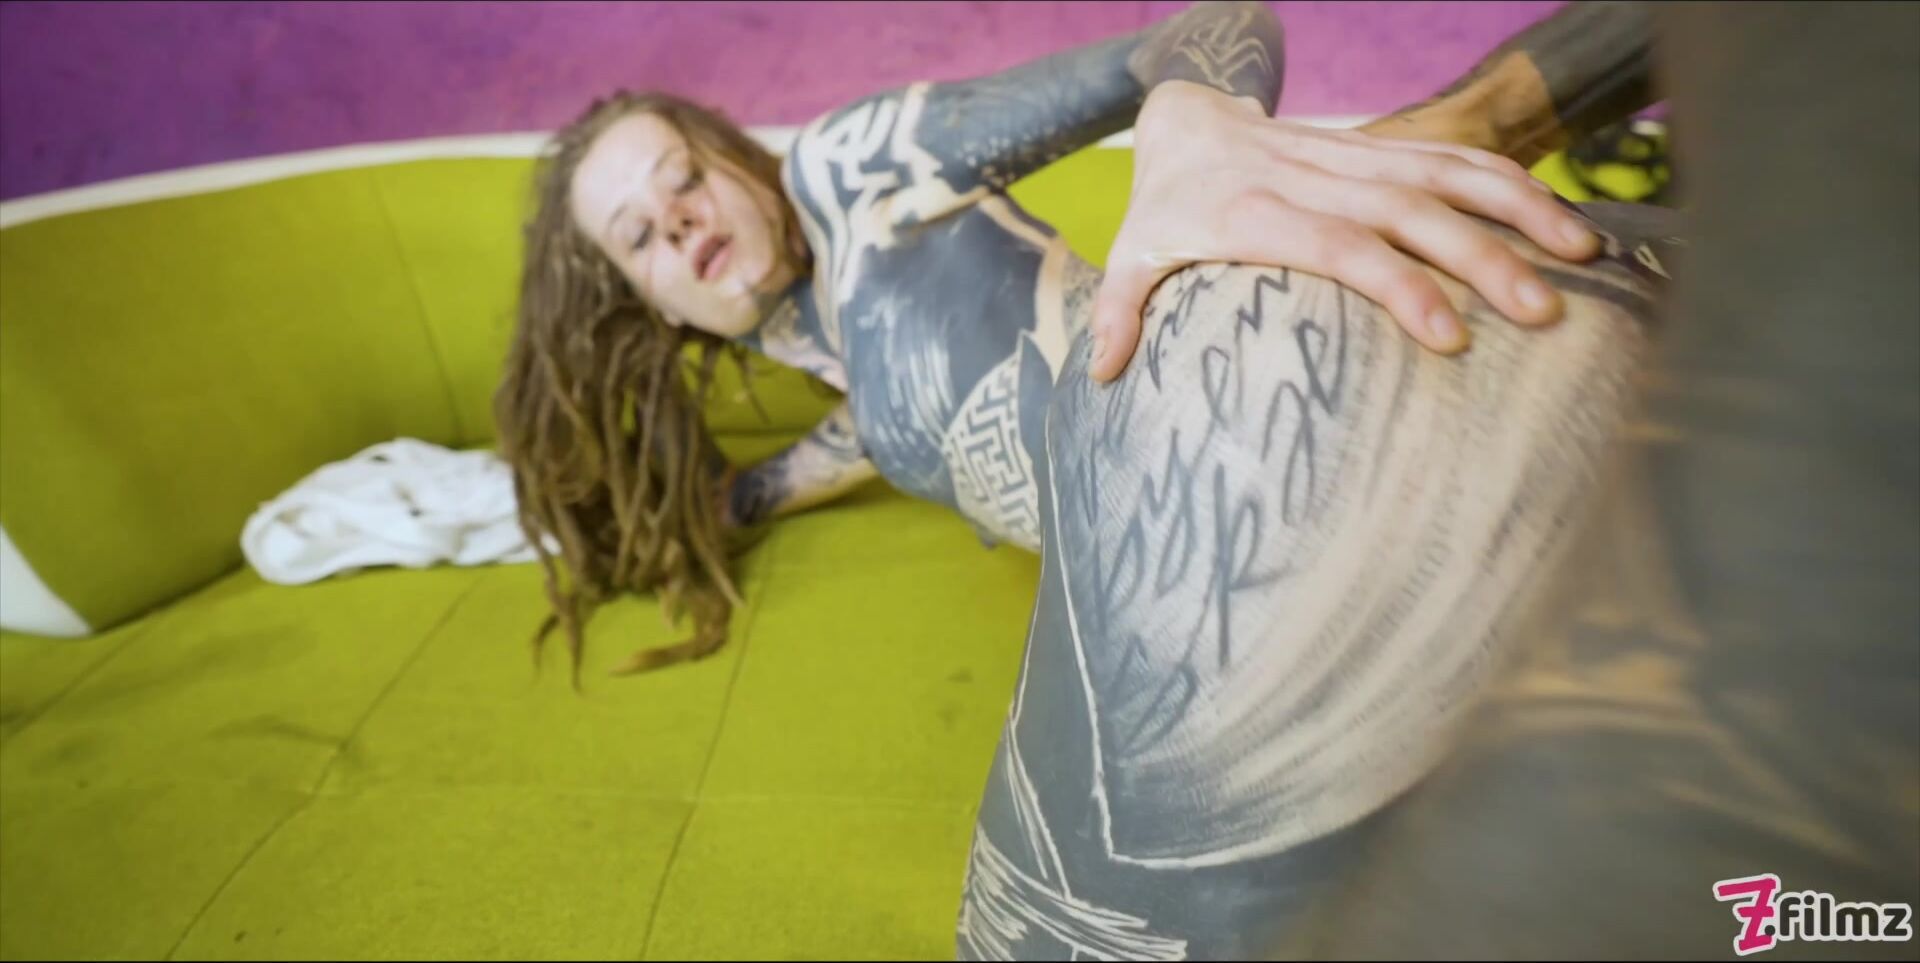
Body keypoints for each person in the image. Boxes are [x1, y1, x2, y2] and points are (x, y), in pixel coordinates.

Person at [493, 1, 1686, 956]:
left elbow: (1209, 28)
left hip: (1189, 426)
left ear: (738, 160)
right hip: (1169, 534)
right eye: (638, 236)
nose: (676, 221)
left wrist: (1188, 138)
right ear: (647, 305)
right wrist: (672, 512)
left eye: (682, 176)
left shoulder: (853, 170)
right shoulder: (824, 349)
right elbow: (842, 451)